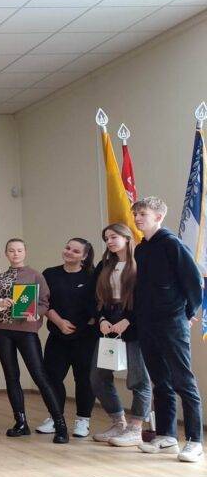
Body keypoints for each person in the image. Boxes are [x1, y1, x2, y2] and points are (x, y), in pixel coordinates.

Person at [132, 197, 203, 462]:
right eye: (136, 213)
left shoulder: (172, 244)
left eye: (143, 213)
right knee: (160, 381)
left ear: (159, 217)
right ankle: (166, 435)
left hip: (172, 321)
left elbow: (194, 282)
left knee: (183, 380)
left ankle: (194, 441)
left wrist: (187, 314)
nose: (137, 218)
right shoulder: (141, 249)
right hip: (147, 322)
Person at [0, 238, 67, 443]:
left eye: (19, 250)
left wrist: (36, 313)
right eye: (11, 250)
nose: (15, 254)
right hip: (2, 331)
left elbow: (44, 303)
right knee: (11, 376)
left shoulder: (35, 275)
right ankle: (21, 423)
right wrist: (0, 304)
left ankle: (60, 425)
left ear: (25, 252)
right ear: (6, 253)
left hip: (27, 331)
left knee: (39, 375)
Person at [90, 224, 152, 448]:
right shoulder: (105, 265)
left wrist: (129, 320)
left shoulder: (140, 263)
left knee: (139, 378)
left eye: (114, 236)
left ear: (127, 237)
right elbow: (94, 297)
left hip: (135, 324)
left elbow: (146, 296)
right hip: (108, 323)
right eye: (106, 238)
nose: (109, 241)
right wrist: (101, 319)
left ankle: (135, 428)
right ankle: (118, 423)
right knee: (97, 376)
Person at [40, 238, 98, 438]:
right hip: (58, 335)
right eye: (67, 248)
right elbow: (44, 303)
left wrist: (79, 326)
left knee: (84, 379)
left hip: (85, 337)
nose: (69, 252)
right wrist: (59, 323)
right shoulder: (50, 274)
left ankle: (83, 420)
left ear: (84, 256)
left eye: (75, 251)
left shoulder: (92, 275)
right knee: (52, 377)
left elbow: (98, 305)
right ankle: (56, 418)